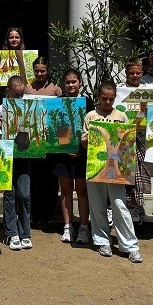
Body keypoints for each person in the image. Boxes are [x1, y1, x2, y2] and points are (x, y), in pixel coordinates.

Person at [83, 80, 143, 263]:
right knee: (97, 204)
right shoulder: (91, 116)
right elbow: (84, 142)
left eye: (111, 99)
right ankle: (102, 241)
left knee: (119, 205)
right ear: (98, 97)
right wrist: (90, 139)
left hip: (116, 170)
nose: (107, 102)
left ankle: (130, 246)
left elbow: (127, 143)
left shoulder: (121, 116)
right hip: (95, 167)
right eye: (104, 98)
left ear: (115, 98)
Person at [55, 69, 93, 244]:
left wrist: (81, 149)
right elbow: (56, 126)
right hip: (63, 153)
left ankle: (84, 227)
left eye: (74, 82)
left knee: (82, 190)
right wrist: (65, 147)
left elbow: (91, 128)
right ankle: (68, 226)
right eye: (68, 82)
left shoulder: (87, 102)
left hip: (83, 153)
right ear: (64, 84)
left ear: (80, 83)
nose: (71, 85)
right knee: (65, 189)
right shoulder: (58, 102)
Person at [0, 75, 32, 251]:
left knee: (24, 195)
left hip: (24, 156)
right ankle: (12, 233)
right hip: (7, 157)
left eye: (21, 95)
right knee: (9, 195)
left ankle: (25, 232)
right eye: (15, 95)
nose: (19, 98)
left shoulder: (29, 107)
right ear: (7, 92)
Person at [24, 56, 61, 227]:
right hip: (32, 140)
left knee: (50, 179)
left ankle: (48, 213)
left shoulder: (56, 90)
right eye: (37, 71)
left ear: (48, 71)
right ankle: (34, 212)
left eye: (42, 71)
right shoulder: (28, 88)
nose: (39, 74)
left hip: (50, 141)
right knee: (35, 178)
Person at [118, 57, 150, 223]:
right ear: (126, 73)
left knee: (140, 171)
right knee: (127, 171)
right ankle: (127, 205)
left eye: (138, 73)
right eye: (132, 73)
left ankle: (137, 205)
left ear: (142, 73)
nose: (135, 76)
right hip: (125, 135)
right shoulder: (119, 90)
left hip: (143, 136)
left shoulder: (148, 90)